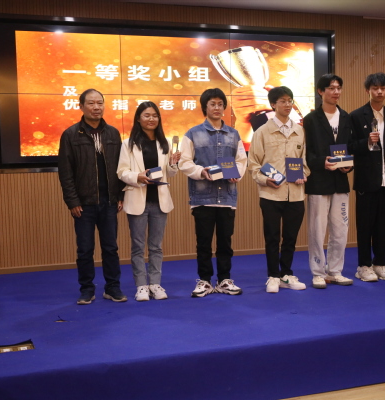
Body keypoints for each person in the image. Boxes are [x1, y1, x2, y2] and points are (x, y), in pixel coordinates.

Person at [58, 88, 127, 305]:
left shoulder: (113, 133)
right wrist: (72, 201)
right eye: (91, 103)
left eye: (100, 103)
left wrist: (120, 195)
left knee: (111, 248)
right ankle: (87, 289)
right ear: (81, 106)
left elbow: (121, 168)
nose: (96, 107)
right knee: (85, 249)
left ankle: (112, 287)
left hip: (109, 202)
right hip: (84, 204)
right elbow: (66, 172)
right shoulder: (71, 134)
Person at [179, 88, 247, 298]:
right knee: (204, 242)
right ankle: (205, 281)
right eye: (212, 104)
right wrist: (201, 171)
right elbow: (184, 162)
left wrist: (236, 174)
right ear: (205, 107)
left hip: (227, 197)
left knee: (225, 242)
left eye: (220, 104)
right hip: (202, 197)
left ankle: (225, 279)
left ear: (224, 107)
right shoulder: (192, 133)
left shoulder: (234, 134)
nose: (217, 108)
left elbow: (241, 161)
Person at [248, 86, 310, 293]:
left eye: (290, 100)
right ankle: (273, 275)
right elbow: (254, 164)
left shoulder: (300, 131)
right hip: (271, 194)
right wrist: (265, 180)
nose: (287, 104)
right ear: (273, 104)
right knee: (272, 237)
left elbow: (305, 162)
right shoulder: (262, 132)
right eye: (283, 101)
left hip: (296, 194)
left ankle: (286, 274)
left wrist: (304, 174)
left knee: (291, 238)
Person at [117, 102, 181, 301]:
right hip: (137, 199)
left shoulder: (165, 143)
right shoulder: (128, 144)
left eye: (154, 115)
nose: (151, 119)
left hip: (159, 200)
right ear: (138, 119)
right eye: (146, 115)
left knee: (156, 246)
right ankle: (141, 286)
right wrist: (137, 176)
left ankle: (155, 283)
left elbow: (170, 173)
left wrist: (174, 163)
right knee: (137, 247)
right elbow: (121, 172)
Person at [349, 73, 385, 282]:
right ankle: (364, 266)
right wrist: (366, 141)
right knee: (365, 226)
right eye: (375, 88)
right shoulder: (357, 116)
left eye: (383, 88)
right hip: (366, 180)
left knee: (383, 226)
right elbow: (349, 147)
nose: (379, 91)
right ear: (368, 90)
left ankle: (380, 263)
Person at [304, 74, 354, 289]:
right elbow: (305, 153)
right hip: (318, 182)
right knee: (317, 230)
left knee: (340, 229)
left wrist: (349, 165)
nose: (336, 92)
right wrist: (320, 162)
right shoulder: (310, 119)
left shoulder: (346, 117)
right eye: (331, 88)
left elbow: (350, 148)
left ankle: (335, 271)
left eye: (338, 88)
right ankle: (318, 272)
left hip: (340, 182)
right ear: (320, 91)